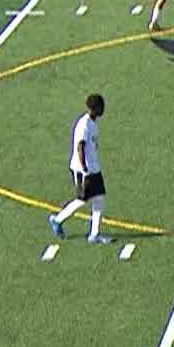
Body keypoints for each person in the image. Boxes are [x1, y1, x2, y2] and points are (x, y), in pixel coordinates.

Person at [49, 93, 112, 243]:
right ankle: (57, 220)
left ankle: (94, 234)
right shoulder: (84, 124)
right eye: (101, 107)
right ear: (94, 108)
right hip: (85, 169)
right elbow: (80, 146)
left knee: (99, 198)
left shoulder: (92, 123)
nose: (103, 109)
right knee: (83, 199)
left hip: (92, 167)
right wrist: (84, 168)